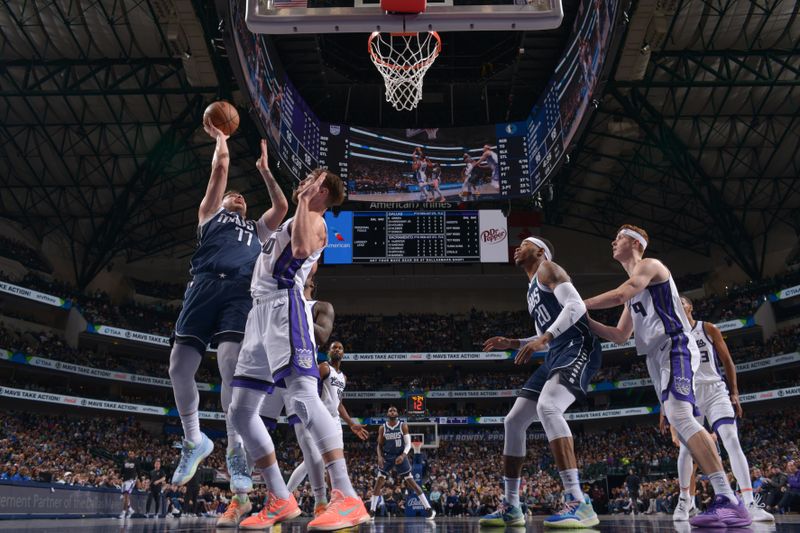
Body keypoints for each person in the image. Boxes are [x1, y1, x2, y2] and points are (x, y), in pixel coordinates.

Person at [583, 224, 751, 527]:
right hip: (656, 358)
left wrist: (578, 304)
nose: (612, 241)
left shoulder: (650, 266)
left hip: (675, 345)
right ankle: (727, 500)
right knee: (682, 421)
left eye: (618, 238)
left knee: (683, 419)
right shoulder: (635, 287)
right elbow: (620, 335)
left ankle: (729, 499)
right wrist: (585, 319)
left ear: (635, 243)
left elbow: (621, 294)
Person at [229, 169, 369, 531]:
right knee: (241, 411)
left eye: (310, 178)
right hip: (257, 313)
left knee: (305, 399)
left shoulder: (317, 223)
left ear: (322, 188)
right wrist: (263, 171)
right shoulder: (296, 215)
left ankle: (347, 496)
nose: (302, 180)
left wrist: (306, 201)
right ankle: (279, 497)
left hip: (283, 308)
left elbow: (303, 250)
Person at [168, 118, 288, 528]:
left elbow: (282, 208)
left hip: (239, 293)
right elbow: (219, 171)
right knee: (179, 367)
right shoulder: (208, 215)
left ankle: (236, 453)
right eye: (230, 195)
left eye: (241, 196)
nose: (236, 195)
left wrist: (266, 174)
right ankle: (194, 439)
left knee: (228, 366)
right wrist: (221, 138)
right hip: (203, 287)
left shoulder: (256, 229)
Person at [479, 237, 601, 528]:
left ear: (541, 251)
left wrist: (545, 337)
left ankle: (578, 500)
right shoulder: (531, 288)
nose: (517, 248)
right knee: (513, 421)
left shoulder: (548, 268)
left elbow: (576, 307)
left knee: (549, 407)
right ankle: (511, 505)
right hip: (556, 352)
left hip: (578, 346)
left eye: (524, 244)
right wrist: (514, 342)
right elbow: (544, 340)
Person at [670, 296, 773, 522]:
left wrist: (734, 392)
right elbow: (668, 375)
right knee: (686, 450)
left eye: (683, 302)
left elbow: (727, 361)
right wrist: (665, 411)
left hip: (716, 391)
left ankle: (749, 503)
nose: (679, 305)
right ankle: (685, 501)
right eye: (675, 302)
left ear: (691, 307)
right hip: (690, 395)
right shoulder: (672, 336)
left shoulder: (708, 328)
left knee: (731, 439)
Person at [286, 340, 370, 512]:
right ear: (329, 352)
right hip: (320, 417)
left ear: (343, 353)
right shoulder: (324, 367)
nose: (337, 349)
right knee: (314, 459)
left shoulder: (343, 377)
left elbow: (339, 404)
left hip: (335, 420)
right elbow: (309, 388)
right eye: (334, 347)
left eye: (340, 347)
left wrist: (351, 423)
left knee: (334, 461)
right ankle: (285, 495)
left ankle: (335, 502)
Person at [369, 406, 435, 520]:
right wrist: (379, 457)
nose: (392, 411)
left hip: (400, 455)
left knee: (412, 483)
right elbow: (379, 445)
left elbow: (408, 444)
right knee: (378, 483)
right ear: (387, 413)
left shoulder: (402, 425)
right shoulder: (382, 428)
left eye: (394, 410)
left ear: (397, 413)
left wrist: (403, 455)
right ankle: (372, 511)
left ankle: (429, 509)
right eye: (390, 410)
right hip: (387, 457)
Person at [119, 451, 139, 519]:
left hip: (131, 480)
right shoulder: (125, 461)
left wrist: (139, 480)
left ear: (134, 455)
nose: (130, 455)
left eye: (132, 453)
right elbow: (122, 470)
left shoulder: (136, 461)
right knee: (124, 497)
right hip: (125, 479)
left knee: (126, 495)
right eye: (129, 453)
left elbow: (139, 470)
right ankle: (130, 509)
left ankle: (124, 512)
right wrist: (119, 477)